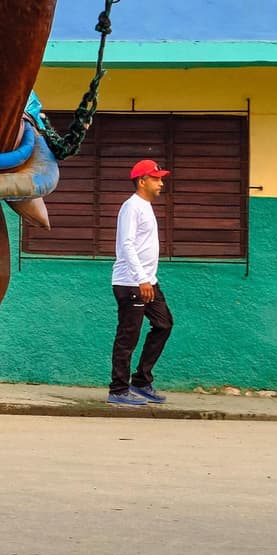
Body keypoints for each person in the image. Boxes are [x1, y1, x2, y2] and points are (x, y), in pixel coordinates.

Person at [109, 159, 173, 407]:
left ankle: (141, 381)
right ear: (142, 181)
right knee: (128, 336)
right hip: (131, 283)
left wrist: (149, 280)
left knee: (164, 324)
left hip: (148, 282)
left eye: (160, 178)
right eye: (156, 178)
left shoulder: (146, 206)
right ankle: (118, 389)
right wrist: (141, 279)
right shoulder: (131, 207)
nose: (161, 182)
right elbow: (126, 245)